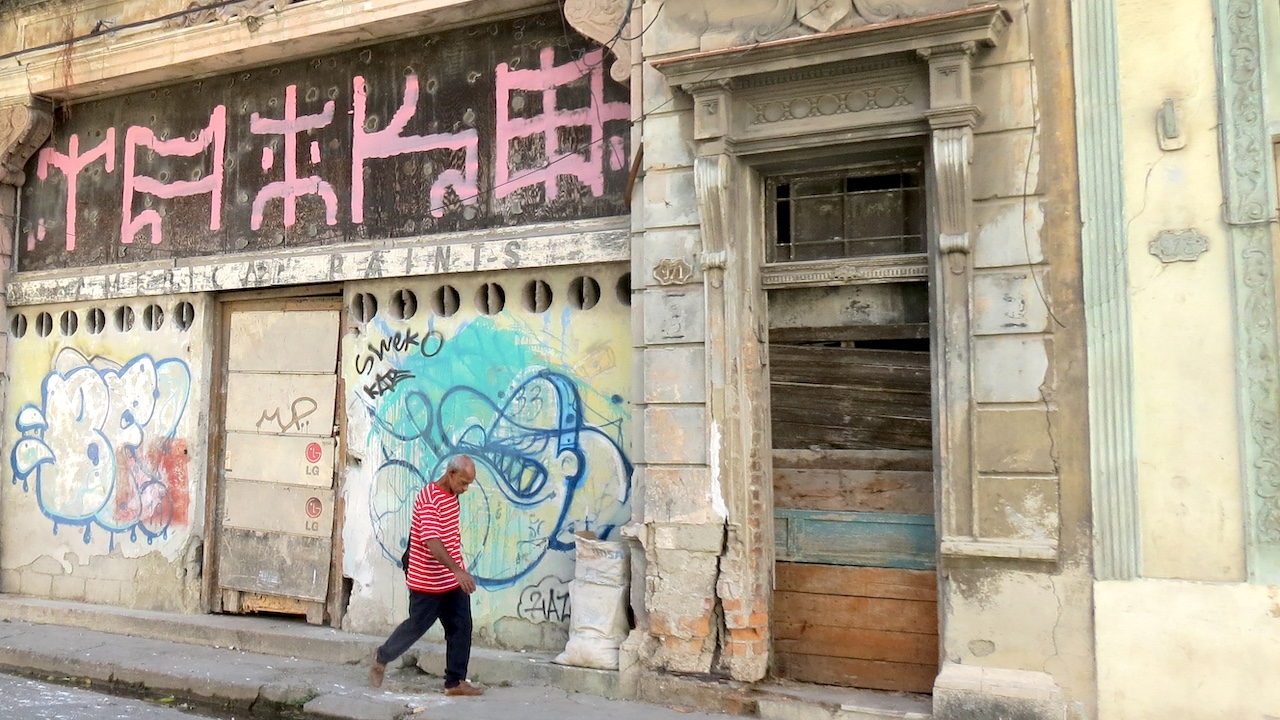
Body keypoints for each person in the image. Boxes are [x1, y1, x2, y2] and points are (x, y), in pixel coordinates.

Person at [369, 454, 484, 696]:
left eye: (468, 484)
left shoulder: (452, 497)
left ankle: (455, 682)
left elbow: (449, 538)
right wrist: (458, 570)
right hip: (427, 582)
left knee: (462, 627)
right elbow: (432, 541)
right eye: (463, 482)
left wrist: (456, 573)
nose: (465, 488)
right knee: (415, 627)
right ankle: (382, 657)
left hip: (451, 582)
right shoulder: (430, 498)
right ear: (451, 474)